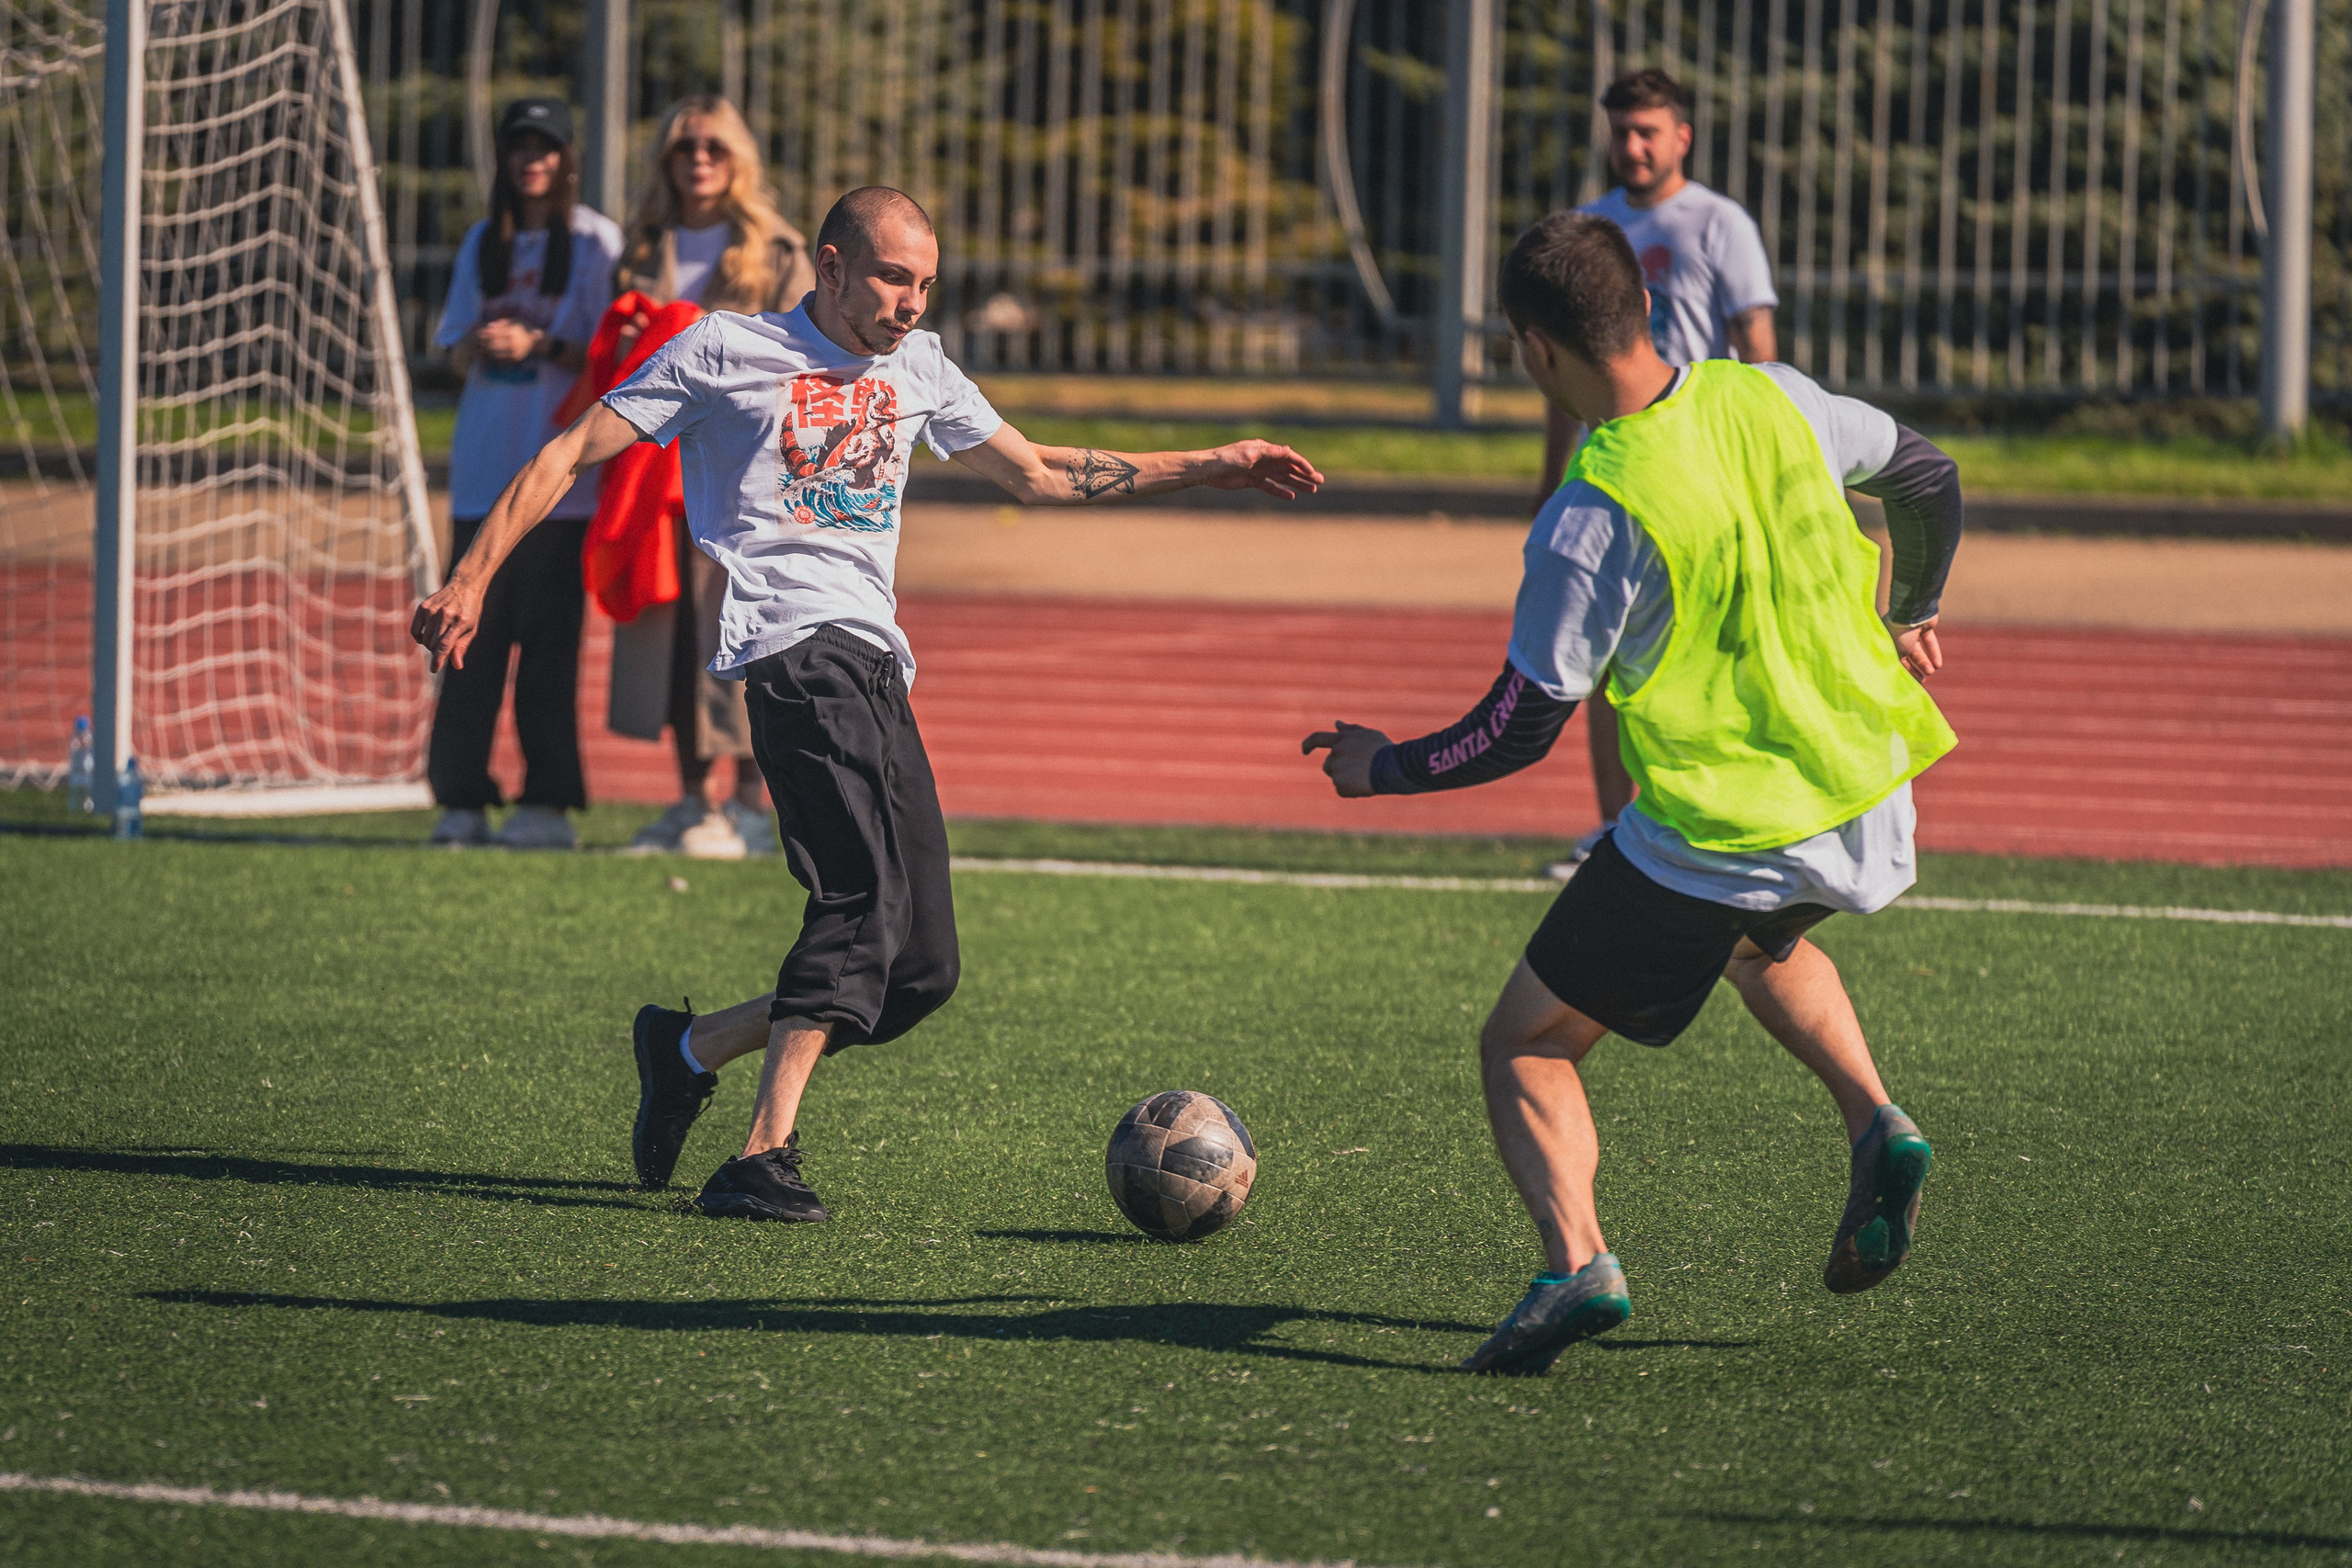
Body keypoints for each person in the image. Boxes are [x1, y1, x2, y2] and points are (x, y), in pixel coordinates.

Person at [411, 186, 1322, 1224]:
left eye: (926, 285)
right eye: (893, 277)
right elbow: (571, 449)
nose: (909, 304)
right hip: (792, 650)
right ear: (831, 266)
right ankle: (761, 1154)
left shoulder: (920, 369)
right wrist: (472, 577)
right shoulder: (722, 350)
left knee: (921, 969)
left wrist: (1214, 465)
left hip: (877, 662)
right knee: (857, 902)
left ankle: (685, 1049)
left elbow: (1038, 473)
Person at [1304, 212, 1962, 1376]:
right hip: (1856, 788)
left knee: (1525, 1043)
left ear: (1529, 349)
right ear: (1647, 307)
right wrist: (1909, 610)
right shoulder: (1773, 396)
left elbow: (1520, 729)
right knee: (1758, 942)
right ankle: (1878, 1121)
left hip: (1725, 823)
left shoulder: (1591, 510)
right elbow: (1925, 475)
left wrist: (1385, 766)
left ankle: (1576, 1266)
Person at [1541, 69, 1780, 866]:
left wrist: (1763, 454)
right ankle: (1616, 829)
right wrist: (1552, 475)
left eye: (1648, 131)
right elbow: (1563, 368)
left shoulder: (1719, 223)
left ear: (1683, 137)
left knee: (1702, 649)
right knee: (1603, 650)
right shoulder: (1589, 229)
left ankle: (1713, 815)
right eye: (1621, 131)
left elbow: (1758, 351)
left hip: (1699, 464)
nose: (1632, 146)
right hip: (1611, 466)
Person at [603, 96, 817, 861]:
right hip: (652, 472)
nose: (698, 159)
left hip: (741, 473)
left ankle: (755, 807)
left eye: (714, 148)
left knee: (748, 636)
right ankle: (693, 799)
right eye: (684, 146)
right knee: (670, 635)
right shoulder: (641, 247)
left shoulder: (776, 250)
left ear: (738, 159)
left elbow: (802, 355)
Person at [425, 97, 622, 850]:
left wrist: (540, 343)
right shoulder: (485, 240)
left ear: (567, 158)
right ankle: (461, 799)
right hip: (483, 472)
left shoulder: (598, 242)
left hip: (560, 485)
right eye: (519, 146)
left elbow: (609, 360)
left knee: (549, 646)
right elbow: (450, 348)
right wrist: (483, 344)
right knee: (467, 638)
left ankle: (547, 801)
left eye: (545, 147)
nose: (531, 159)